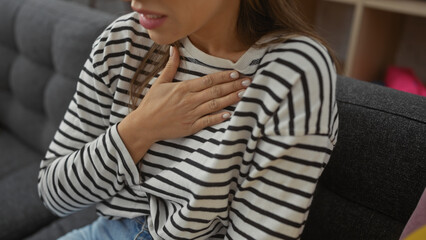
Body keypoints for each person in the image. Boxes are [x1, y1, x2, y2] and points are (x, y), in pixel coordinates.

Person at [38, 0, 339, 239]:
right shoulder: (124, 39)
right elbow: (54, 194)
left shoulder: (293, 71)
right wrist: (140, 129)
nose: (135, 2)